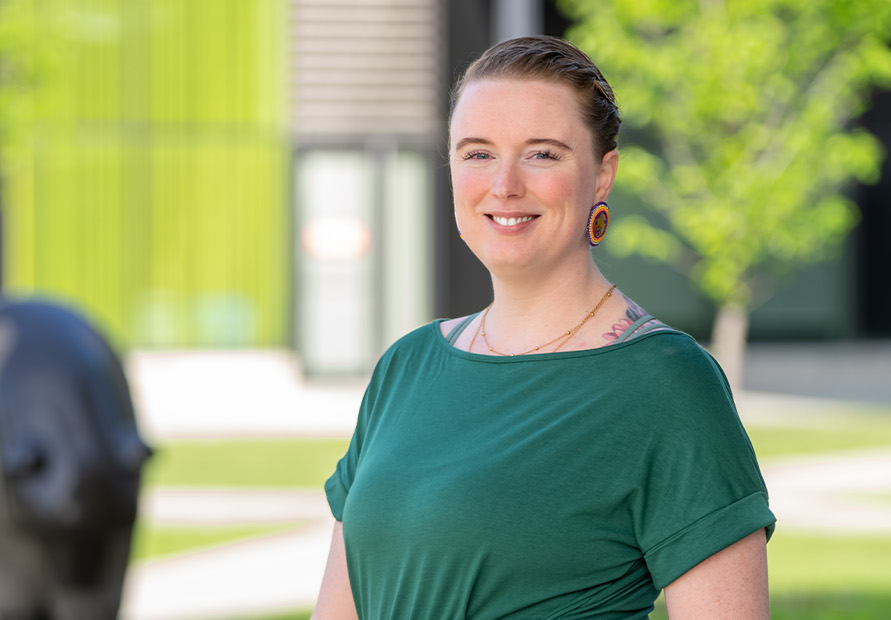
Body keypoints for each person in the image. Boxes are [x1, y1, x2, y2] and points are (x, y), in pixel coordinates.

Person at [310, 36, 774, 620]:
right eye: (477, 153)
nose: (504, 185)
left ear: (602, 177)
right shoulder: (407, 367)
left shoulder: (666, 384)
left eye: (543, 154)